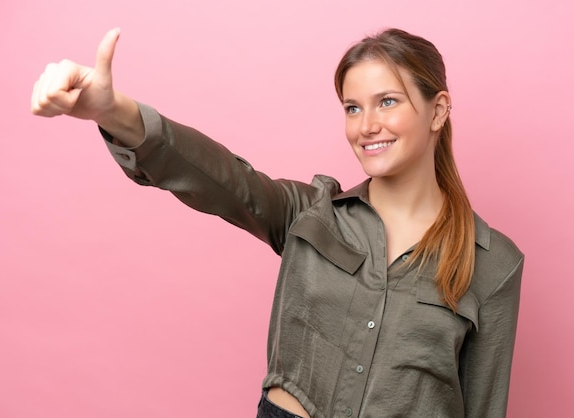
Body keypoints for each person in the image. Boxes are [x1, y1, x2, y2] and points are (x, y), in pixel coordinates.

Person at [31, 27, 524, 418]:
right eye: (353, 108)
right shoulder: (311, 214)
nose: (366, 125)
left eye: (387, 102)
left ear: (438, 111)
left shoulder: (494, 263)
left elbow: (483, 406)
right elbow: (221, 177)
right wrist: (115, 112)